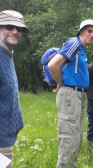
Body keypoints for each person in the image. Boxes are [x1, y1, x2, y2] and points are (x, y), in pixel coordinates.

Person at [48, 19, 93, 167]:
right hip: (70, 94)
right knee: (69, 136)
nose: (92, 35)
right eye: (89, 31)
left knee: (76, 136)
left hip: (78, 95)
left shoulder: (81, 48)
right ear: (81, 32)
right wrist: (59, 82)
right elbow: (53, 64)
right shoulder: (75, 43)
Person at [0, 10, 29, 168]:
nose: (15, 31)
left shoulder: (7, 55)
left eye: (19, 28)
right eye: (9, 26)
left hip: (6, 141)